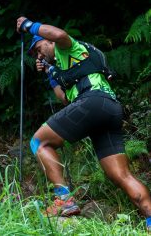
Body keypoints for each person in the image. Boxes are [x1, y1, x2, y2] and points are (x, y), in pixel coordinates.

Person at [17, 16, 151, 231]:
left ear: (48, 41)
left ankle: (63, 198)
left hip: (94, 101)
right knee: (120, 175)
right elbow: (65, 99)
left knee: (39, 142)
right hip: (110, 108)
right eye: (33, 54)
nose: (38, 55)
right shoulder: (66, 64)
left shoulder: (66, 47)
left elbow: (59, 34)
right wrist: (52, 75)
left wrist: (28, 25)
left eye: (38, 48)